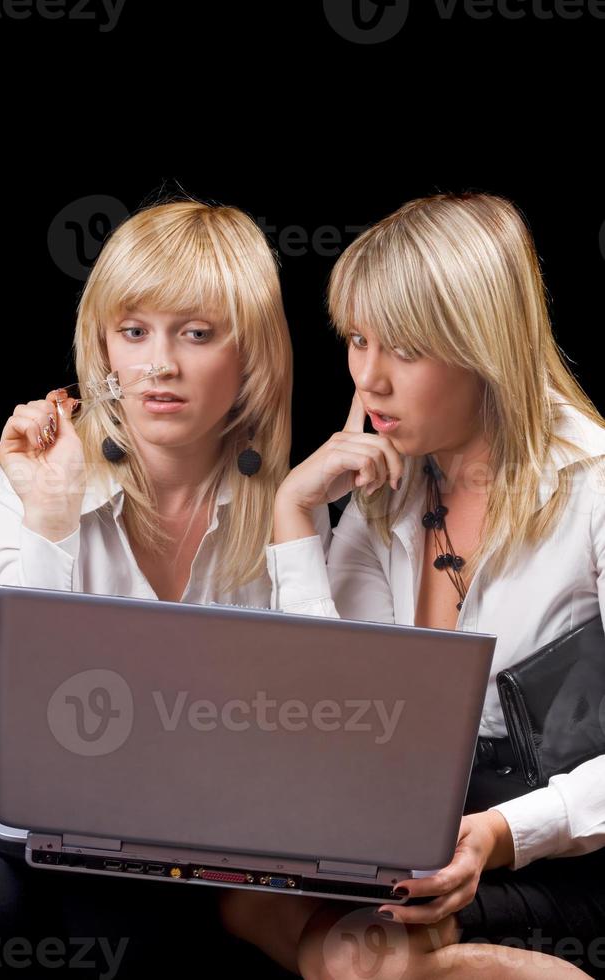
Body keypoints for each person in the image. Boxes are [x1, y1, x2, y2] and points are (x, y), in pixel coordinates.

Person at [218, 191, 605, 979]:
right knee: (238, 897)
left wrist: (501, 834)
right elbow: (333, 719)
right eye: (358, 341)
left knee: (365, 954)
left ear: (481, 345)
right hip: (431, 835)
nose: (369, 379)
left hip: (563, 842)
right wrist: (293, 514)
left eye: (404, 350)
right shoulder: (388, 491)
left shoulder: (594, 484)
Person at [0, 196, 330, 978]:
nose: (160, 364)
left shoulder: (288, 514)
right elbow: (42, 696)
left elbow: (315, 719)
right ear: (105, 349)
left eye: (195, 333)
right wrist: (53, 515)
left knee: (156, 931)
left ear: (250, 354)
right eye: (134, 332)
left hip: (175, 841)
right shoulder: (8, 496)